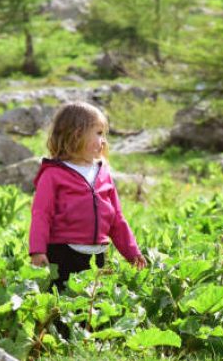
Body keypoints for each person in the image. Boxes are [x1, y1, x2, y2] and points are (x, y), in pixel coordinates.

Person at [29, 101, 146, 292]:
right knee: (65, 309)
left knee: (94, 307)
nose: (104, 141)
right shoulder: (52, 174)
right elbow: (41, 214)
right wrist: (38, 250)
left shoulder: (103, 173)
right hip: (63, 254)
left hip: (98, 255)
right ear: (76, 134)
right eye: (99, 133)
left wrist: (131, 252)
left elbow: (117, 219)